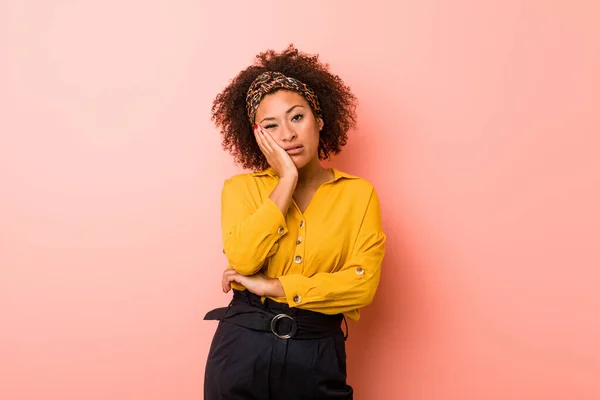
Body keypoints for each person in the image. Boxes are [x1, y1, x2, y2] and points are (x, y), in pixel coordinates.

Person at [203, 44, 386, 400]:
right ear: (258, 136)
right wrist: (286, 179)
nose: (287, 134)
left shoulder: (358, 195)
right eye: (271, 126)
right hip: (242, 347)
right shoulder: (240, 189)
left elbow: (361, 286)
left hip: (317, 350)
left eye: (297, 117)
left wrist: (274, 286)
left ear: (319, 119)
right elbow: (243, 259)